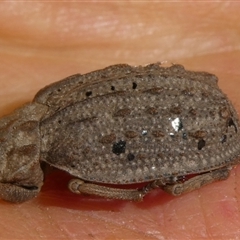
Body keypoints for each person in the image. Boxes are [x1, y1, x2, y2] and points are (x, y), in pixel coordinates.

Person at [0, 2, 239, 239]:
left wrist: (138, 193)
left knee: (79, 185)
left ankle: (217, 170)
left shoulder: (63, 140)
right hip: (194, 96)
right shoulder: (49, 99)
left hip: (211, 130)